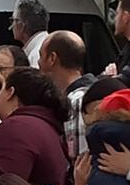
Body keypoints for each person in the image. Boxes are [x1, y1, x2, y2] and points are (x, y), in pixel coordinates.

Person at [38, 30, 94, 161]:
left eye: (41, 56)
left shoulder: (76, 101)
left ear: (52, 58)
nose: (38, 63)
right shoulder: (90, 92)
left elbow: (79, 160)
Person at [12, 0, 50, 68]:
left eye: (13, 20)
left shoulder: (37, 54)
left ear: (22, 25)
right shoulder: (47, 44)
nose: (12, 26)